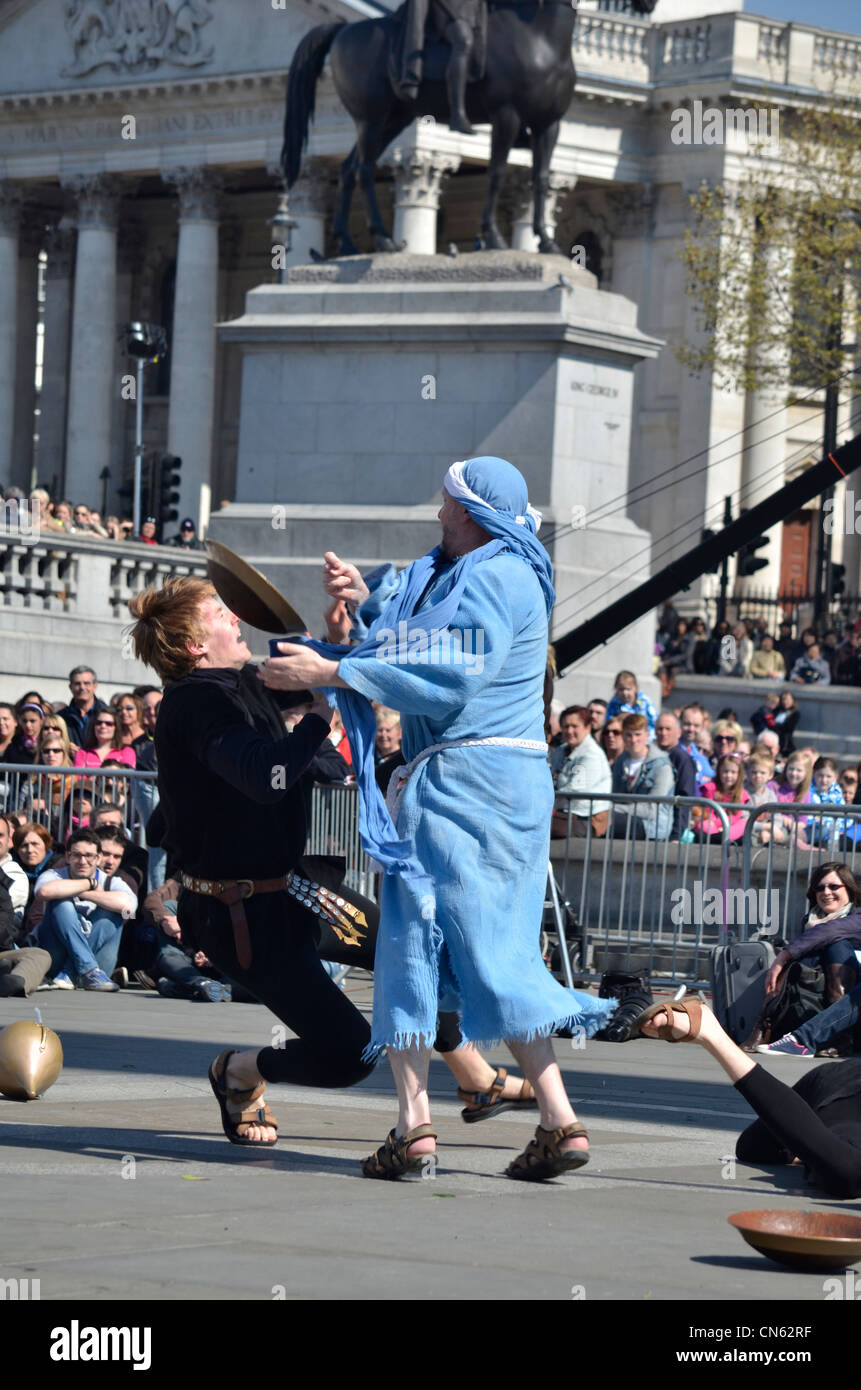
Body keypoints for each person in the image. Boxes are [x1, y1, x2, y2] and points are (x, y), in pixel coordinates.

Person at [261, 456, 616, 1179]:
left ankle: (414, 1128)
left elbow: (450, 669)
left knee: (410, 945)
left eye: (447, 503)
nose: (437, 513)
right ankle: (557, 1119)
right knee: (495, 951)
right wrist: (366, 600)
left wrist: (330, 672)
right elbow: (416, 633)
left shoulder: (492, 574)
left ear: (472, 512)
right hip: (497, 783)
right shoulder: (490, 569)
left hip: (464, 783)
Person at [130, 572, 540, 1151]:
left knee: (415, 955)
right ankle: (240, 1071)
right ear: (196, 643)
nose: (236, 616)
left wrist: (339, 631)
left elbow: (328, 675)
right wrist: (320, 716)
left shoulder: (241, 681)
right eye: (221, 612)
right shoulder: (194, 705)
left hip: (294, 890)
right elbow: (265, 776)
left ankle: (475, 1080)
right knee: (348, 1056)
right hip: (241, 917)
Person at [635, 998, 861, 1199]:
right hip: (845, 1091)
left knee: (755, 1148)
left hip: (836, 1083)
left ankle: (823, 1147)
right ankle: (714, 1036)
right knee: (846, 1172)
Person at [33, 826, 136, 990]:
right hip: (56, 957)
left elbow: (129, 910)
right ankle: (86, 970)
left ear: (98, 858)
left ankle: (71, 972)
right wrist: (89, 884)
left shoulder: (113, 882)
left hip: (99, 962)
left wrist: (87, 894)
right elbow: (44, 892)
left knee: (114, 913)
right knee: (60, 903)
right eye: (77, 855)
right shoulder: (54, 875)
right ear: (68, 856)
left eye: (89, 856)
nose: (83, 861)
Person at [760, 862, 861, 1008]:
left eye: (833, 887)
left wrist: (782, 957)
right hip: (808, 1001)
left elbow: (829, 931)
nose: (826, 892)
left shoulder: (857, 917)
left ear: (849, 889)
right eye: (819, 888)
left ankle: (838, 1014)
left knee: (838, 945)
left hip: (851, 1003)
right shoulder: (810, 921)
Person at [549, 705, 611, 839]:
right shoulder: (560, 750)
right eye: (565, 726)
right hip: (563, 815)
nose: (569, 731)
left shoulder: (592, 754)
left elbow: (575, 792)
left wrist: (547, 794)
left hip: (586, 818)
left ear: (588, 727)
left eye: (574, 726)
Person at [609, 714, 674, 841]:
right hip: (625, 820)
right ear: (623, 736)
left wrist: (612, 808)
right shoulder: (620, 761)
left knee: (604, 819)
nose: (633, 740)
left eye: (638, 735)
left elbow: (651, 810)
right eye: (629, 735)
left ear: (647, 735)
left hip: (652, 827)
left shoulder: (662, 766)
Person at [653, 712, 696, 840]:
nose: (663, 733)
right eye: (660, 729)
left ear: (678, 732)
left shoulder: (682, 759)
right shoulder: (652, 754)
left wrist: (676, 834)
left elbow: (684, 797)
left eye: (668, 729)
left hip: (668, 828)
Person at [689, 755, 750, 843]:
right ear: (719, 772)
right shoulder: (711, 788)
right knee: (703, 825)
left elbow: (736, 815)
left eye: (733, 772)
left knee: (743, 823)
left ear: (739, 774)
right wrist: (717, 826)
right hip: (712, 823)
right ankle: (720, 837)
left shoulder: (741, 793)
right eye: (725, 771)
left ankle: (724, 837)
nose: (729, 775)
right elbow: (708, 810)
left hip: (730, 825)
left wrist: (724, 826)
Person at [57, 666, 108, 749]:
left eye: (86, 683)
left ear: (95, 686)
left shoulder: (109, 715)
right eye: (77, 684)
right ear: (70, 687)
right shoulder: (61, 717)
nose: (82, 687)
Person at [605, 670, 656, 738]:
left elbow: (654, 719)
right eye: (621, 689)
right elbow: (608, 721)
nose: (625, 693)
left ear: (635, 688)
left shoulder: (644, 701)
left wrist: (650, 736)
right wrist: (618, 719)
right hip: (622, 736)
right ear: (616, 689)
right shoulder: (614, 703)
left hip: (643, 736)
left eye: (628, 689)